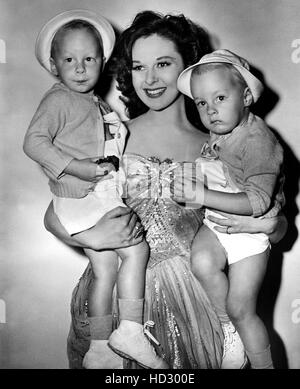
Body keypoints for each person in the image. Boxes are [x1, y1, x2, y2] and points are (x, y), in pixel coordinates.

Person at [43, 11, 288, 369]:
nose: (150, 78)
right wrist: (90, 237)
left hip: (197, 303)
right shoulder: (110, 135)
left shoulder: (222, 144)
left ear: (190, 68)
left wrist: (270, 225)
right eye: (139, 67)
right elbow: (55, 213)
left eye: (163, 63)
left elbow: (276, 223)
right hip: (114, 303)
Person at [23, 10, 168, 370]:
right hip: (84, 198)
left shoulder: (96, 104)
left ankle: (100, 346)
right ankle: (131, 329)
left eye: (89, 59)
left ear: (102, 63)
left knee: (105, 270)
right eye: (70, 60)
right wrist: (77, 168)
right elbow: (34, 143)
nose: (80, 67)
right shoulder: (59, 99)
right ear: (54, 66)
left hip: (91, 197)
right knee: (136, 251)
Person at [176, 49, 285, 368]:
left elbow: (258, 202)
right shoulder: (223, 127)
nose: (210, 110)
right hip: (219, 223)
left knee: (242, 308)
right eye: (201, 102)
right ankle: (229, 329)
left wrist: (203, 194)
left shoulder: (259, 140)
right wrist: (190, 190)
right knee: (202, 262)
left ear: (248, 95)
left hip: (251, 232)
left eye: (220, 97)